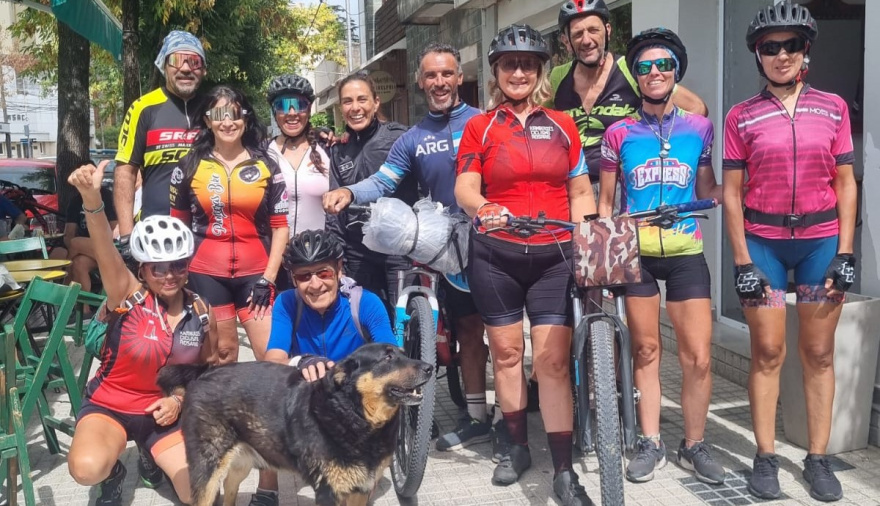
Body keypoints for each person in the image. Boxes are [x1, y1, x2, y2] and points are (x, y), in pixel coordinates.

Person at [322, 43, 492, 454]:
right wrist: (347, 189)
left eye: (446, 74)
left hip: (492, 239)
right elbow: (382, 181)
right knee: (466, 332)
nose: (439, 82)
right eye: (430, 76)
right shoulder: (414, 137)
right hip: (443, 249)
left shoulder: (484, 122)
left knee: (506, 339)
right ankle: (477, 418)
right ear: (420, 82)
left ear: (458, 78)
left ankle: (525, 419)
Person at [454, 24, 595, 506]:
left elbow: (580, 191)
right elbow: (466, 187)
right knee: (508, 356)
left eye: (528, 63)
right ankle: (515, 447)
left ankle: (563, 470)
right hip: (497, 254)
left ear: (539, 70)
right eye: (509, 63)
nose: (518, 71)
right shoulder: (481, 126)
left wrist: (590, 241)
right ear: (496, 71)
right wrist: (483, 208)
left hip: (556, 254)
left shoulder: (562, 123)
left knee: (553, 361)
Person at [723, 2, 855, 502]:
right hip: (764, 245)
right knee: (769, 352)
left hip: (821, 242)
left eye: (791, 45)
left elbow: (845, 183)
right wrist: (742, 261)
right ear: (758, 55)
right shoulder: (742, 115)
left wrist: (845, 250)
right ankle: (765, 456)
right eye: (770, 47)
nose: (781, 55)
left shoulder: (834, 107)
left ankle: (818, 459)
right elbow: (732, 193)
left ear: (806, 51)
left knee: (818, 354)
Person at [598, 28, 724, 486]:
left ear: (676, 71)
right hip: (638, 254)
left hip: (687, 250)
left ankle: (694, 443)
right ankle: (651, 442)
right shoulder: (619, 133)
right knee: (647, 350)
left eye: (664, 65)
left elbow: (707, 186)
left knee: (700, 357)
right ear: (633, 75)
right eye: (644, 67)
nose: (655, 73)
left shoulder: (699, 128)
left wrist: (736, 193)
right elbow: (607, 204)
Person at [65, 164, 218, 506]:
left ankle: (151, 454)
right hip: (111, 406)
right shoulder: (127, 295)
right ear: (143, 270)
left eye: (178, 265)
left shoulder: (202, 311)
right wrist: (92, 199)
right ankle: (115, 472)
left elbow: (206, 371)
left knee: (202, 495)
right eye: (158, 268)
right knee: (86, 469)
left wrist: (179, 400)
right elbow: (104, 247)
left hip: (165, 416)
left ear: (187, 266)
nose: (169, 275)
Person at [247, 229, 396, 506]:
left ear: (339, 269)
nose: (314, 285)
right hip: (307, 399)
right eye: (304, 276)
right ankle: (268, 489)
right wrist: (301, 361)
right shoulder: (288, 303)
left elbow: (391, 359)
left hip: (355, 406)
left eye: (323, 273)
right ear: (293, 279)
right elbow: (271, 360)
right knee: (263, 396)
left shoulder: (365, 303)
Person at [170, 85, 289, 365]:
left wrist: (268, 279)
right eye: (219, 114)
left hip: (257, 274)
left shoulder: (267, 165)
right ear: (207, 121)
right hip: (206, 273)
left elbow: (281, 226)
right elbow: (179, 227)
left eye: (234, 114)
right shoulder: (188, 166)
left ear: (245, 119)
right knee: (222, 356)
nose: (227, 122)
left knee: (273, 357)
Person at [550, 0, 707, 186]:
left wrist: (651, 143)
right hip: (572, 185)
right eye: (577, 34)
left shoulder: (630, 69)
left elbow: (697, 108)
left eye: (593, 30)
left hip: (621, 184)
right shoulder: (557, 76)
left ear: (607, 31)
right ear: (566, 41)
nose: (586, 40)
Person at [326, 73, 416, 313]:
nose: (355, 108)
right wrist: (336, 257)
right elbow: (334, 212)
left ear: (376, 102)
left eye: (362, 99)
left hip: (399, 249)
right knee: (363, 324)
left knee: (404, 325)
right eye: (347, 101)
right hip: (358, 254)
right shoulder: (338, 150)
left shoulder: (400, 137)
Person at [114, 30, 207, 244]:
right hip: (156, 231)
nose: (185, 68)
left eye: (194, 61)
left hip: (207, 233)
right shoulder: (142, 108)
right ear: (164, 67)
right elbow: (125, 173)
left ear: (203, 70)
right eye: (176, 60)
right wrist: (127, 236)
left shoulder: (213, 109)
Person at [265, 74, 330, 240]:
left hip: (318, 257)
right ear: (274, 111)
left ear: (308, 110)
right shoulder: (263, 152)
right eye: (283, 105)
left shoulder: (327, 149)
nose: (292, 113)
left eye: (299, 105)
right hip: (274, 257)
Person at [64, 160, 118, 307]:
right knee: (79, 263)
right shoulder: (75, 201)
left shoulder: (106, 196)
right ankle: (85, 309)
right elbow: (69, 232)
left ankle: (64, 283)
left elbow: (114, 229)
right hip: (90, 250)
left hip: (111, 245)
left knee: (76, 243)